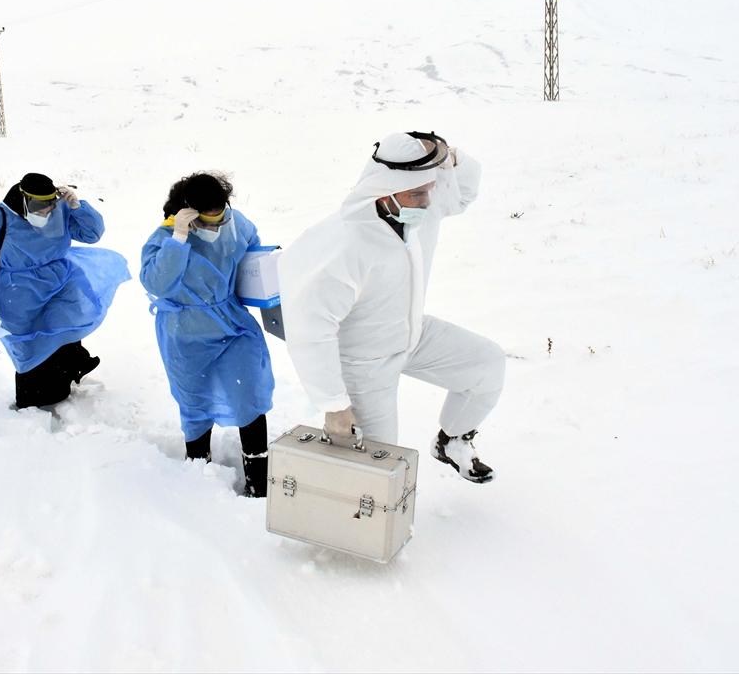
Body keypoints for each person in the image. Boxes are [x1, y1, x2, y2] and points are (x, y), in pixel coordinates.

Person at [278, 131, 505, 483]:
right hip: (364, 365)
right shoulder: (344, 243)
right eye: (418, 193)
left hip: (412, 334)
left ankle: (453, 441)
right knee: (377, 468)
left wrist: (453, 160)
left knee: (486, 365)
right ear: (383, 190)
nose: (428, 201)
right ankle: (351, 531)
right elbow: (310, 329)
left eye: (428, 190)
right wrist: (334, 405)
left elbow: (463, 194)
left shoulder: (416, 208)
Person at [0, 172, 129, 411]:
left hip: (61, 281)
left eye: (49, 207)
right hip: (18, 292)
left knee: (64, 330)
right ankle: (36, 402)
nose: (45, 213)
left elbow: (91, 234)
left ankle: (65, 381)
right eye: (38, 207)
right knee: (28, 345)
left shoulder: (59, 209)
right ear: (24, 201)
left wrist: (77, 206)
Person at [140, 172, 275, 497]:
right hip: (184, 333)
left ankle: (259, 480)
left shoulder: (236, 223)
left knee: (249, 395)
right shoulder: (165, 237)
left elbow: (252, 255)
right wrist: (179, 239)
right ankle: (199, 472)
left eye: (221, 216)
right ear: (188, 212)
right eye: (208, 220)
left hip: (231, 326)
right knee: (194, 401)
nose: (216, 227)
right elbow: (156, 283)